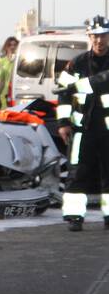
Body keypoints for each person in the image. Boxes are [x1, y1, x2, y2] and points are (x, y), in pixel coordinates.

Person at [56, 15, 109, 231]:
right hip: (81, 129)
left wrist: (84, 84)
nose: (99, 41)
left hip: (107, 130)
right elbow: (63, 95)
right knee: (78, 172)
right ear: (89, 37)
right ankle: (74, 216)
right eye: (95, 36)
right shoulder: (77, 63)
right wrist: (62, 123)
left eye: (103, 36)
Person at [0, 36, 18, 108]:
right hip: (8, 92)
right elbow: (1, 80)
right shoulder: (2, 61)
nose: (12, 47)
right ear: (6, 47)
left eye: (15, 45)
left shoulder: (22, 59)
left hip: (19, 90)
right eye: (10, 45)